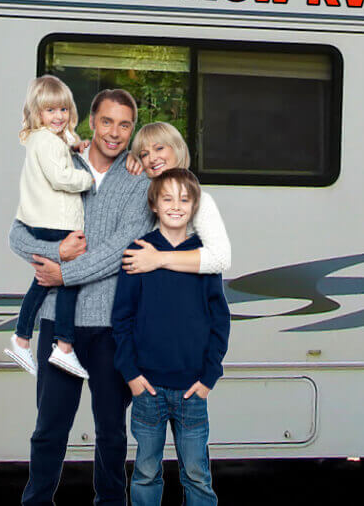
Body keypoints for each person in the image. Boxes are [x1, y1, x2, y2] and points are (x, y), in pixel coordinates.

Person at [9, 88, 153, 506]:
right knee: (49, 428)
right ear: (91, 121)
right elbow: (17, 233)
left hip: (112, 327)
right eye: (107, 121)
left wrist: (63, 273)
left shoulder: (139, 180)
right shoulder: (58, 162)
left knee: (111, 431)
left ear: (132, 130)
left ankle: (111, 502)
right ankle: (37, 501)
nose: (114, 132)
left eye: (124, 124)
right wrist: (57, 251)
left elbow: (122, 249)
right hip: (59, 323)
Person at [111, 168, 231, 506]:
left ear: (194, 207)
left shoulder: (203, 257)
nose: (176, 206)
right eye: (167, 199)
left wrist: (209, 377)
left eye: (184, 199)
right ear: (154, 205)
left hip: (193, 389)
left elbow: (220, 321)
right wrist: (131, 375)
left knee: (197, 474)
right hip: (147, 388)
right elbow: (121, 319)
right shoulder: (138, 252)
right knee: (146, 472)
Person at [4, 75, 94, 379]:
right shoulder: (48, 142)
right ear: (37, 112)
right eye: (50, 110)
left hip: (42, 222)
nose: (58, 116)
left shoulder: (40, 139)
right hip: (57, 224)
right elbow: (61, 178)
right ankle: (63, 346)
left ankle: (22, 339)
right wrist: (88, 178)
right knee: (68, 280)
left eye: (63, 110)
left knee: (43, 282)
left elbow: (61, 149)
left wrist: (75, 145)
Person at [121, 121, 231, 276]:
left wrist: (159, 258)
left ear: (177, 148)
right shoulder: (141, 196)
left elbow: (220, 259)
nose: (152, 158)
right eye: (144, 154)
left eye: (159, 148)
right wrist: (125, 161)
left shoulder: (201, 200)